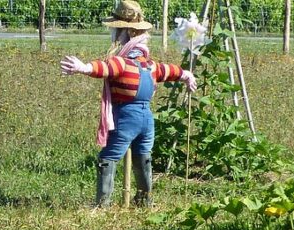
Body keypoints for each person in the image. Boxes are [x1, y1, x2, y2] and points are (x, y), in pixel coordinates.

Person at [60, 0, 197, 208]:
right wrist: (186, 75)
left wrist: (84, 67)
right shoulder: (149, 65)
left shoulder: (121, 62)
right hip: (147, 119)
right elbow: (170, 71)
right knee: (143, 157)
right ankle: (145, 202)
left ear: (123, 33)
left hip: (126, 117)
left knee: (109, 156)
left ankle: (102, 204)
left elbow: (103, 68)